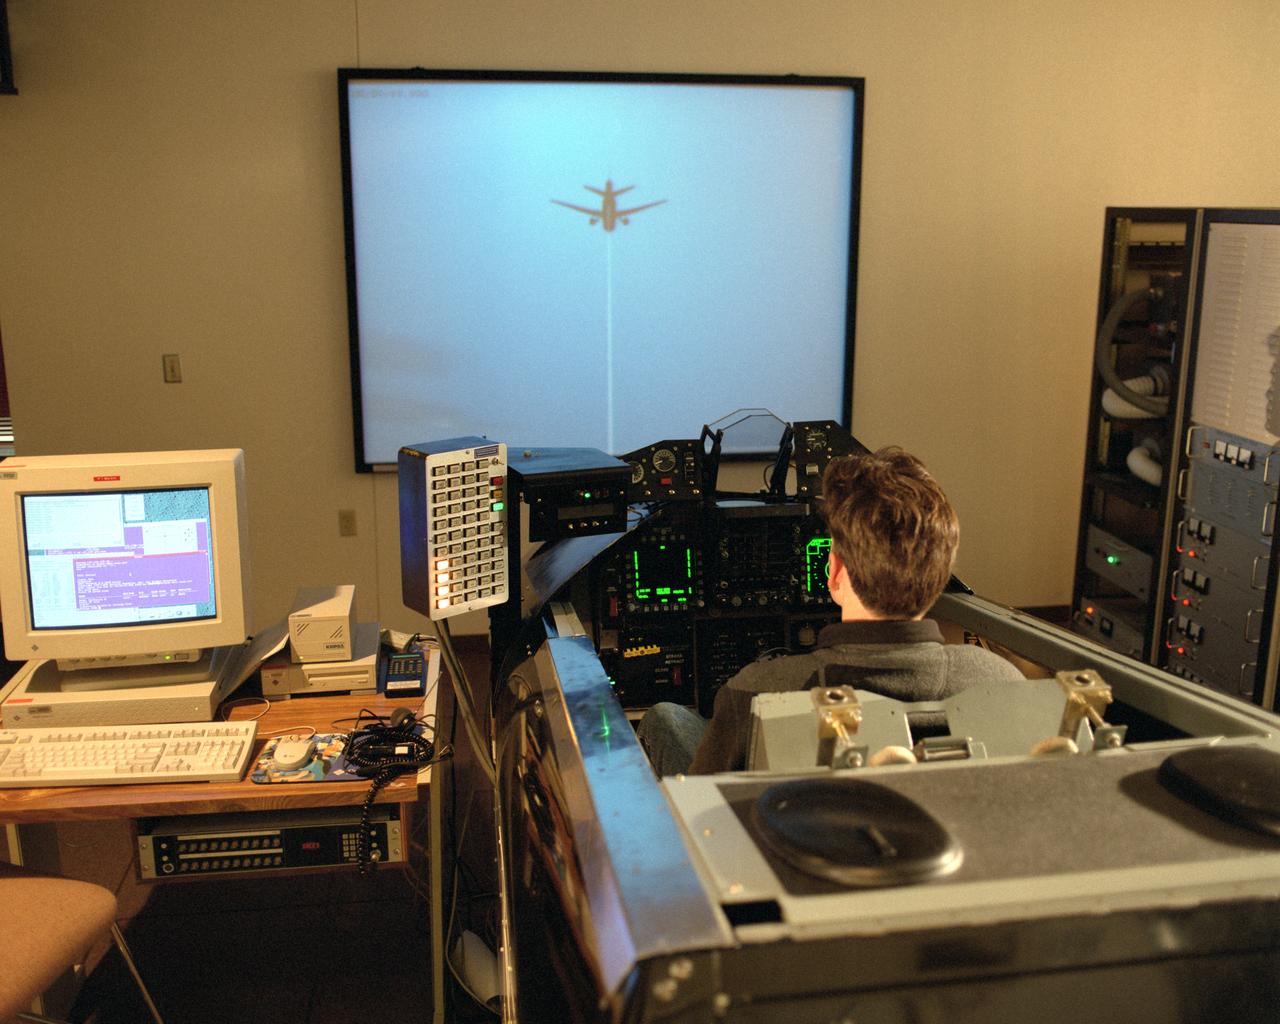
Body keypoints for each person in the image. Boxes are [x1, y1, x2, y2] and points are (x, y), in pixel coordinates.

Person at [636, 446, 1024, 775]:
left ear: (835, 570)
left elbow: (707, 807)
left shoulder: (757, 692)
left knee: (665, 717)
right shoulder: (1000, 680)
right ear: (940, 574)